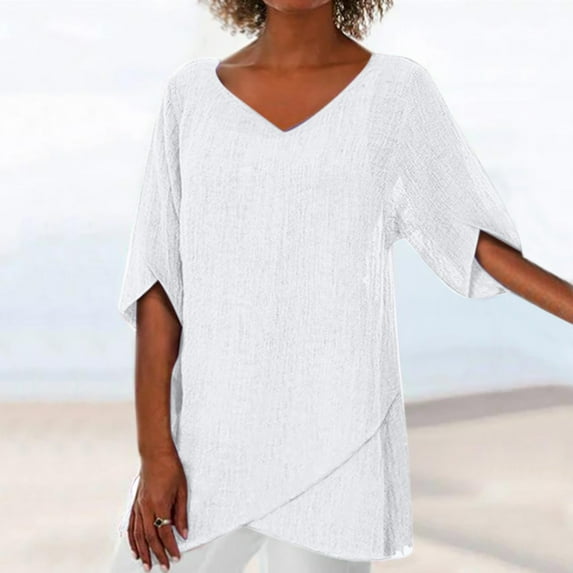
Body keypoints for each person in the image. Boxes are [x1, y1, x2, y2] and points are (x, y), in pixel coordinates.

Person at [110, 0, 573, 571]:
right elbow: (159, 285)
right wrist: (156, 452)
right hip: (208, 446)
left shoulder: (396, 93)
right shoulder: (191, 97)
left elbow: (473, 240)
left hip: (338, 446)